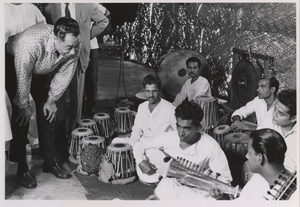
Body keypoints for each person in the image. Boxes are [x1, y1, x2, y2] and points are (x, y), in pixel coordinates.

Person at [5, 17, 81, 189]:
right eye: (69, 47)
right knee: (21, 117)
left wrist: (51, 99)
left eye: (75, 46)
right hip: (14, 63)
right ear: (55, 39)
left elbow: (65, 73)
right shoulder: (29, 44)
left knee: (48, 111)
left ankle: (49, 161)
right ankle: (22, 168)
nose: (73, 51)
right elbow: (23, 75)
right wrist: (23, 105)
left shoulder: (73, 43)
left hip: (43, 67)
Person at [43, 3, 109, 152]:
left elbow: (103, 21)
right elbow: (47, 30)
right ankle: (58, 133)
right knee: (56, 95)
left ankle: (74, 134)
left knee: (77, 97)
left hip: (78, 58)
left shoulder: (86, 5)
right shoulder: (49, 8)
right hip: (57, 58)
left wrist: (85, 37)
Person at [133, 102, 232, 200]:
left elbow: (225, 179)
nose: (181, 133)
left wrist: (219, 193)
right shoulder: (169, 137)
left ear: (198, 127)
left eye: (187, 128)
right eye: (178, 126)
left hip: (197, 191)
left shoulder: (211, 146)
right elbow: (140, 144)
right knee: (166, 185)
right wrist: (141, 161)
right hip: (171, 187)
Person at [5, 3, 47, 155]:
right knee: (18, 108)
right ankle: (18, 157)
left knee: (42, 104)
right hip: (7, 61)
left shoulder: (32, 9)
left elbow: (44, 32)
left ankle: (45, 154)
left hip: (32, 60)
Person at [112, 74, 177, 146]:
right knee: (116, 141)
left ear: (159, 89)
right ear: (144, 90)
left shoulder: (171, 109)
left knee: (150, 154)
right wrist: (132, 143)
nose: (150, 95)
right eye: (147, 91)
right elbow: (137, 129)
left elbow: (177, 133)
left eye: (154, 91)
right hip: (143, 143)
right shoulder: (142, 107)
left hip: (160, 146)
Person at [237, 129, 296, 200]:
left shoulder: (294, 195)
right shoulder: (257, 179)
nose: (246, 156)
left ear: (260, 158)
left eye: (249, 153)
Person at [257, 89, 297, 173]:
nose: (274, 115)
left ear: (294, 118)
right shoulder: (267, 122)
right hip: (264, 173)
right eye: (275, 108)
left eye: (280, 113)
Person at [83, 4, 110, 115]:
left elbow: (107, 13)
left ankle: (90, 106)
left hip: (91, 46)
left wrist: (93, 28)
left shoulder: (91, 3)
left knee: (91, 79)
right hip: (77, 46)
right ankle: (79, 106)